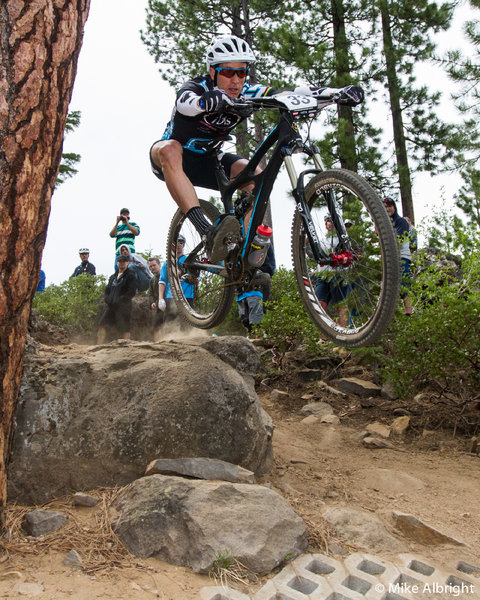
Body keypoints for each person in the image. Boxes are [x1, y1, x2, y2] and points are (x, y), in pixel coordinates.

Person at [150, 34, 363, 264]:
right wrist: (205, 102)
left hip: (210, 161)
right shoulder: (198, 87)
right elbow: (184, 102)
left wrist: (335, 93)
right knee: (170, 149)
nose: (236, 80)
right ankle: (207, 231)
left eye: (241, 72)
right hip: (171, 159)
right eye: (228, 72)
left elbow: (287, 93)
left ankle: (245, 255)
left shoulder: (246, 92)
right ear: (213, 72)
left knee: (256, 177)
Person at [313, 215, 351, 327]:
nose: (330, 223)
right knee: (319, 303)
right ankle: (322, 336)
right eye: (328, 221)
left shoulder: (343, 238)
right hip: (322, 274)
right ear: (325, 224)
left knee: (341, 305)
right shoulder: (322, 240)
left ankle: (344, 333)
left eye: (332, 220)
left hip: (338, 274)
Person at [97, 255, 137, 343]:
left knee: (125, 327)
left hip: (124, 306)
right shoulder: (113, 277)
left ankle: (126, 345)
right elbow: (107, 290)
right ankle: (99, 344)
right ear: (117, 263)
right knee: (102, 324)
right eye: (120, 261)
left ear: (127, 263)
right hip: (111, 306)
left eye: (124, 261)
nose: (121, 263)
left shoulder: (131, 275)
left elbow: (132, 291)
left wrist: (121, 300)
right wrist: (107, 299)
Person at [384, 197, 413, 315]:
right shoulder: (385, 224)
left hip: (402, 257)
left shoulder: (400, 221)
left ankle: (409, 311)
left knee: (405, 284)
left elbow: (399, 239)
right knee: (392, 286)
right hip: (390, 259)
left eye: (390, 206)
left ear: (394, 207)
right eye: (385, 207)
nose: (388, 209)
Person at [158, 234, 195, 327]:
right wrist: (161, 299)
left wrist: (186, 276)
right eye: (176, 242)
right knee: (168, 326)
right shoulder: (167, 263)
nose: (178, 244)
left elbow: (196, 279)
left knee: (187, 327)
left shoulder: (190, 260)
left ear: (183, 245)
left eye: (181, 242)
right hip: (171, 297)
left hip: (187, 297)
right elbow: (162, 281)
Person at [147, 257, 164, 342]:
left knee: (169, 325)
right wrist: (152, 302)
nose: (152, 268)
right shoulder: (152, 280)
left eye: (154, 265)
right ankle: (158, 345)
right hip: (158, 306)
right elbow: (150, 294)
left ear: (159, 265)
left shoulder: (166, 275)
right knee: (156, 327)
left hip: (169, 304)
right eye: (150, 266)